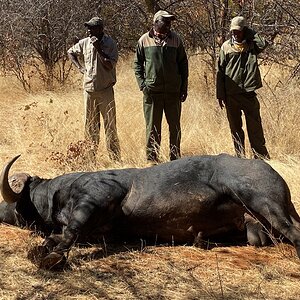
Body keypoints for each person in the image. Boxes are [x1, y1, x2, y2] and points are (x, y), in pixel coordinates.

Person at [134, 10, 189, 164]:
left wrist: (183, 87)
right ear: (156, 22)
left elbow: (183, 63)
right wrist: (143, 85)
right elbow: (137, 64)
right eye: (165, 21)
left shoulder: (176, 39)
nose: (169, 25)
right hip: (152, 92)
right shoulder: (144, 40)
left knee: (175, 127)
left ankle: (175, 159)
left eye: (170, 22)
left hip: (173, 92)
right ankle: (152, 159)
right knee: (152, 128)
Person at [68, 17, 121, 162]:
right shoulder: (85, 42)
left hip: (105, 90)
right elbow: (70, 52)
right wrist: (80, 68)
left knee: (110, 125)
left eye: (92, 28)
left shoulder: (110, 44)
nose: (89, 31)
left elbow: (110, 65)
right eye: (88, 28)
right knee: (90, 126)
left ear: (100, 29)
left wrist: (99, 49)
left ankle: (115, 159)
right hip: (89, 90)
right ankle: (90, 159)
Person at [216, 16, 270, 159]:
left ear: (244, 31)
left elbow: (263, 44)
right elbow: (220, 72)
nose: (235, 34)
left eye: (238, 31)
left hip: (249, 93)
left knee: (255, 128)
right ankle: (240, 157)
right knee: (235, 129)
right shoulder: (226, 47)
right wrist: (220, 94)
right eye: (233, 31)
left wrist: (250, 32)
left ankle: (261, 157)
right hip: (231, 95)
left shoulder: (252, 45)